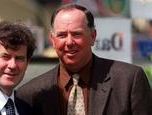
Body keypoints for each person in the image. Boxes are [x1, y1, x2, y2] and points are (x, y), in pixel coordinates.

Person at [17, 4, 152, 115]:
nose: (69, 42)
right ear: (52, 40)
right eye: (62, 35)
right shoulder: (30, 94)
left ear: (93, 36)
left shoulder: (129, 81)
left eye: (76, 34)